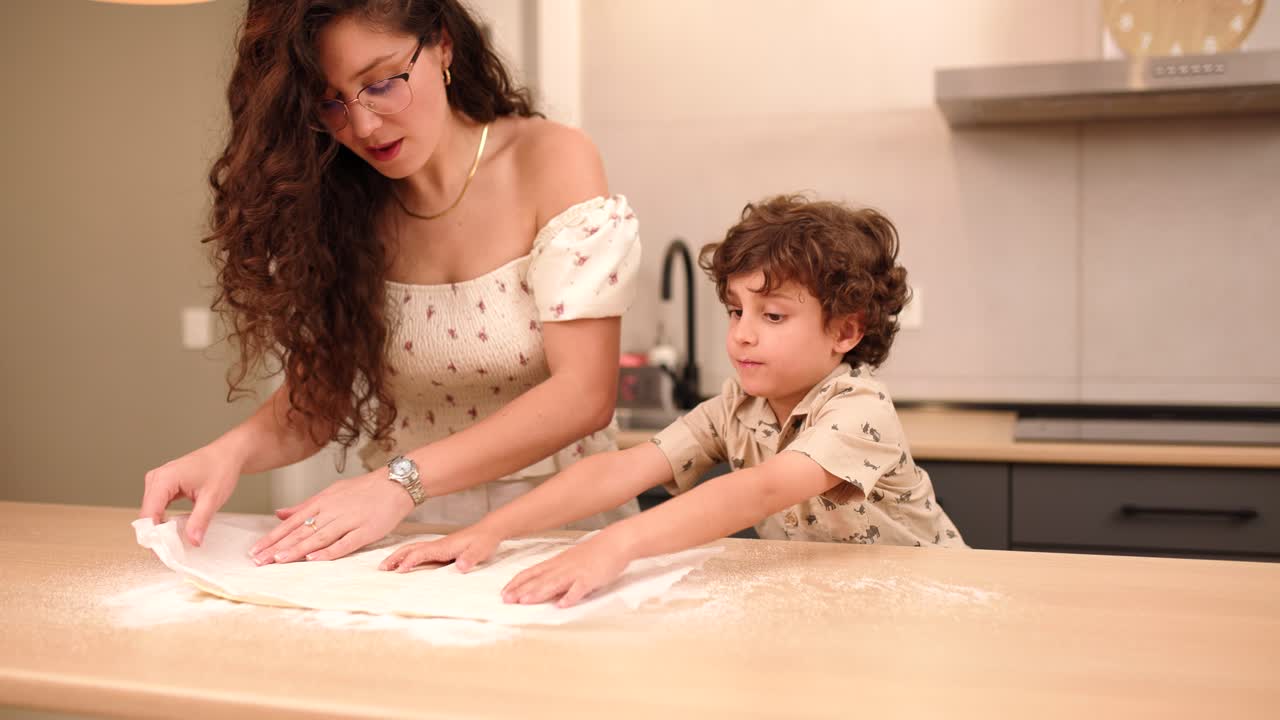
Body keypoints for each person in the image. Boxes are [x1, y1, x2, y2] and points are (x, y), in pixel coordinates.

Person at [139, 0, 641, 564]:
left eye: (380, 83)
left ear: (443, 44)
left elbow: (585, 395)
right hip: (407, 533)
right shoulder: (342, 204)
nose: (362, 126)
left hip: (564, 524)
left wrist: (401, 481)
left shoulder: (550, 158)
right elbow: (317, 403)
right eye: (329, 102)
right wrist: (226, 454)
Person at [380, 194, 966, 607]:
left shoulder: (858, 407)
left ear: (845, 331)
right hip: (843, 604)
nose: (742, 333)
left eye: (774, 315)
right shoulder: (738, 409)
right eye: (737, 310)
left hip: (932, 601)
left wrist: (616, 543)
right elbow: (620, 471)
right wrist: (492, 529)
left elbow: (761, 488)